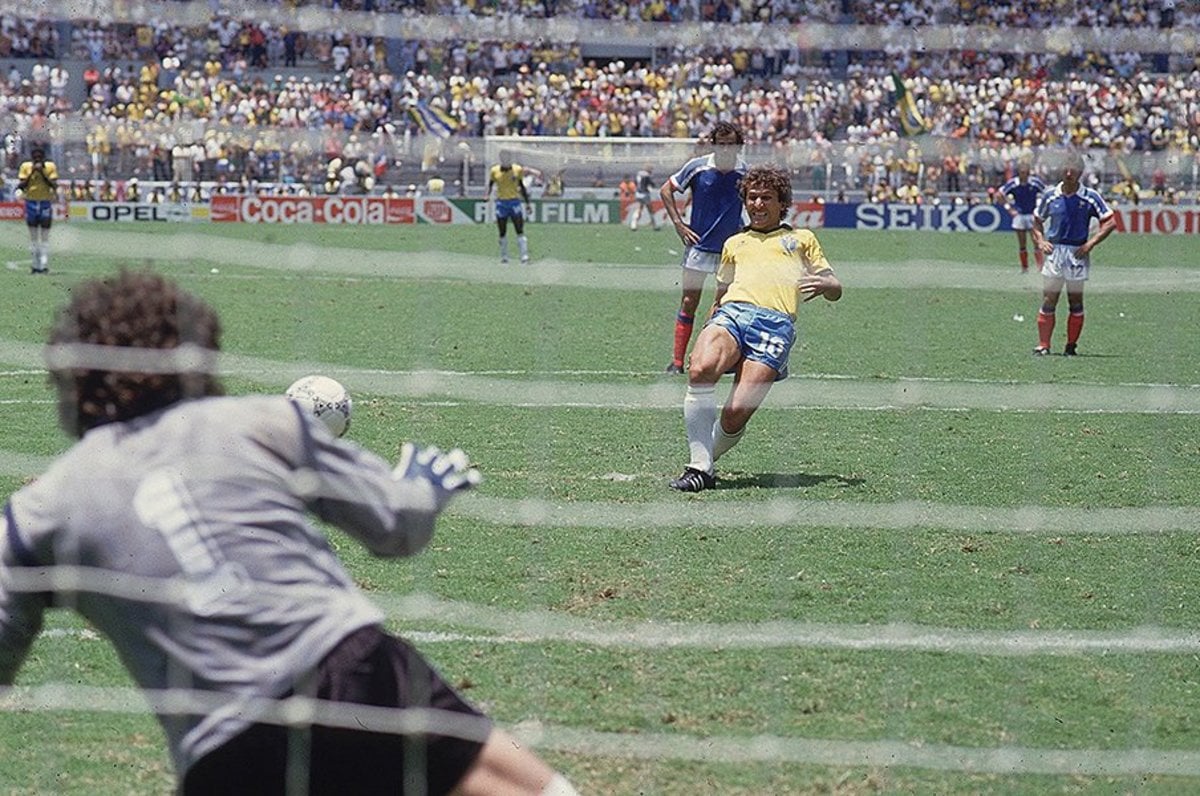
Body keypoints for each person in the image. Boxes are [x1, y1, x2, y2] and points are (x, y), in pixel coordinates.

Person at [0, 270, 579, 796]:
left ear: (71, 381)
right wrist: (422, 489)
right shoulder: (261, 421)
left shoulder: (37, 514)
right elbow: (395, 530)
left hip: (222, 750)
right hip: (345, 671)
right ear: (195, 352)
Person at [669, 164, 842, 492]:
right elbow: (721, 293)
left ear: (782, 203)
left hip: (775, 327)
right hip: (732, 315)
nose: (758, 204)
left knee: (735, 415)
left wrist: (828, 284)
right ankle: (698, 467)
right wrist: (710, 323)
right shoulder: (734, 243)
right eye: (752, 197)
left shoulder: (801, 239)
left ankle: (707, 461)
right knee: (700, 368)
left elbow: (834, 286)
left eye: (766, 198)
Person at [660, 122, 748, 374]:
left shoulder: (745, 172)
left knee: (722, 305)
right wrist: (678, 224)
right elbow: (667, 190)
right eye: (721, 144)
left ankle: (706, 357)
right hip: (698, 247)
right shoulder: (698, 167)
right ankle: (677, 362)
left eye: (730, 144)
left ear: (738, 145)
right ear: (714, 144)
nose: (725, 149)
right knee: (689, 301)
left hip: (730, 250)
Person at [1031, 151, 1117, 357]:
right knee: (1049, 299)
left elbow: (1110, 222)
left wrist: (1091, 243)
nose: (1068, 173)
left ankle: (1071, 345)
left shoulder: (1090, 196)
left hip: (1076, 253)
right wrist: (1041, 241)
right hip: (1055, 252)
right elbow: (1036, 222)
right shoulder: (1050, 195)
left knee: (1075, 301)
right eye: (1065, 169)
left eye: (1073, 170)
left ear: (1080, 173)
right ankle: (1044, 345)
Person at [998, 161, 1048, 273]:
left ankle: (1040, 267)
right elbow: (1000, 194)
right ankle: (1024, 268)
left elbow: (1046, 193)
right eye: (1021, 172)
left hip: (1032, 214)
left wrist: (1041, 208)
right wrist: (1009, 208)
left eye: (1025, 173)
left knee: (1036, 241)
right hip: (1019, 216)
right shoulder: (1013, 184)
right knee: (1022, 243)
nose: (1023, 175)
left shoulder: (1035, 183)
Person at [16, 144, 57, 274]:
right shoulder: (25, 167)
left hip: (45, 202)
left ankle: (43, 265)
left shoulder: (50, 167)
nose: (38, 158)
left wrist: (42, 173)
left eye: (40, 156)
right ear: (32, 157)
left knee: (44, 235)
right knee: (33, 235)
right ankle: (35, 265)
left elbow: (54, 185)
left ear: (44, 157)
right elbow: (21, 185)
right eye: (35, 156)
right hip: (31, 202)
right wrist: (33, 171)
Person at [485, 149, 531, 264]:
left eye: (507, 157)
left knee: (519, 229)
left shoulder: (517, 170)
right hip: (501, 204)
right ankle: (504, 256)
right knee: (502, 230)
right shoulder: (494, 170)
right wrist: (487, 195)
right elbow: (490, 184)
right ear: (500, 159)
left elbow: (522, 187)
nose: (505, 160)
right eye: (503, 158)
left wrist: (527, 203)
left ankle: (524, 256)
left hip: (514, 202)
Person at [629, 164, 660, 231]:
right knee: (650, 209)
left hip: (638, 193)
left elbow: (635, 182)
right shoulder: (647, 175)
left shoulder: (639, 174)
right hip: (645, 193)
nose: (651, 171)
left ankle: (633, 224)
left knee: (639, 208)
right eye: (651, 169)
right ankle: (655, 225)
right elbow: (651, 184)